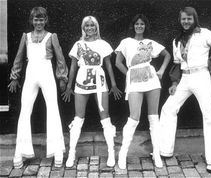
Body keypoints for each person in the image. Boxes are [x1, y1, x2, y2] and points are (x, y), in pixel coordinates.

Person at [159, 7, 211, 173]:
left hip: (201, 77)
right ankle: (164, 150)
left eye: (189, 19)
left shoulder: (205, 33)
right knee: (168, 108)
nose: (186, 22)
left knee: (209, 114)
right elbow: (177, 63)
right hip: (184, 78)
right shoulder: (177, 40)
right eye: (183, 19)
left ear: (194, 19)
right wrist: (174, 83)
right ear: (180, 20)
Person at [8, 7, 68, 168]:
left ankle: (57, 152)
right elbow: (19, 57)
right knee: (25, 110)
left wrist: (62, 77)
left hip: (46, 73)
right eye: (36, 19)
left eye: (41, 20)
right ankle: (20, 152)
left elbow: (60, 57)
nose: (39, 22)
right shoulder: (26, 37)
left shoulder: (51, 36)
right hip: (31, 74)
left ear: (46, 20)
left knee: (53, 109)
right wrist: (15, 76)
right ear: (31, 21)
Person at [62, 16, 122, 168]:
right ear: (83, 28)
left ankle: (111, 152)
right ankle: (71, 153)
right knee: (78, 118)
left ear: (96, 27)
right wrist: (69, 86)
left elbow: (108, 65)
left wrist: (113, 84)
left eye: (92, 26)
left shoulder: (103, 44)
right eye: (86, 26)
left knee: (105, 117)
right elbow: (74, 66)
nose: (89, 28)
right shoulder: (78, 44)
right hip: (82, 80)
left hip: (100, 80)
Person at [115, 14, 171, 169]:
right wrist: (130, 74)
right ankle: (122, 154)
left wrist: (161, 70)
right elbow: (118, 62)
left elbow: (167, 55)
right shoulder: (126, 42)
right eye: (137, 24)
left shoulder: (150, 42)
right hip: (134, 81)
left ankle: (157, 154)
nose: (139, 26)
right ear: (133, 26)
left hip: (152, 79)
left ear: (145, 26)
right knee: (134, 118)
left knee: (154, 117)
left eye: (142, 24)